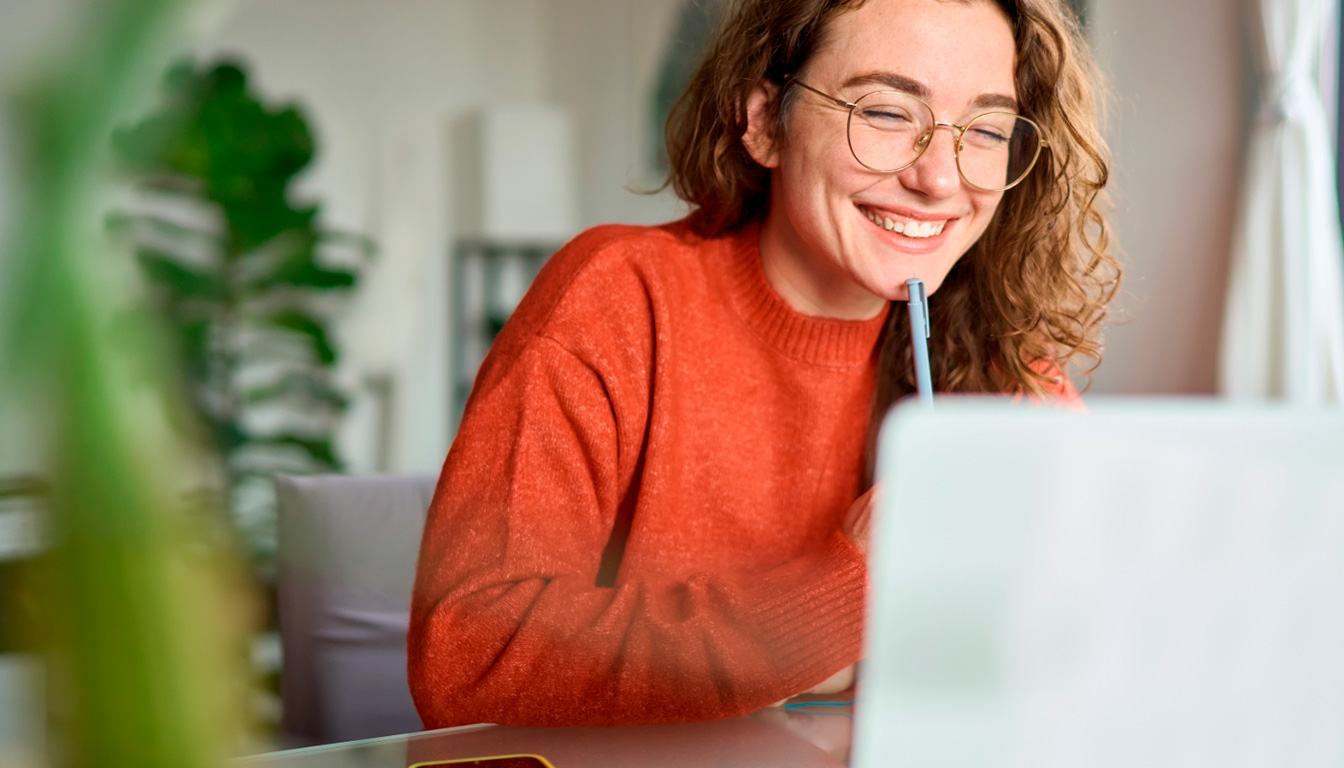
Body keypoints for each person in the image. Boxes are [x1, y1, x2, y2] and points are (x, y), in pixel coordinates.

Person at [408, 0, 1118, 728]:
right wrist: (843, 599)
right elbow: (469, 658)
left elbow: (1112, 641)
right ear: (763, 122)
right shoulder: (618, 298)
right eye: (885, 113)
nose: (940, 178)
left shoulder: (1000, 365)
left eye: (988, 129)